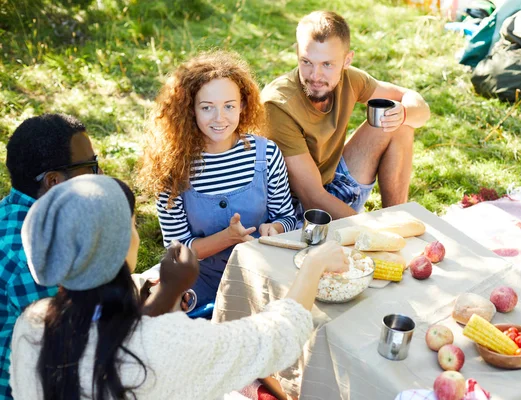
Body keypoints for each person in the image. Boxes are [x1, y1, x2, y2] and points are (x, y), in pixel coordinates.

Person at [10, 174, 349, 399]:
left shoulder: (34, 323)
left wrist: (168, 291)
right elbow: (276, 339)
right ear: (124, 241)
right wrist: (314, 266)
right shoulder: (165, 346)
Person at [138, 50, 296, 310]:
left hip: (260, 270)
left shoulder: (265, 154)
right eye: (207, 107)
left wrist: (275, 229)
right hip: (199, 278)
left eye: (229, 106)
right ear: (190, 110)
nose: (219, 118)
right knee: (158, 315)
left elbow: (287, 218)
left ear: (243, 105)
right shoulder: (173, 167)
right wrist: (227, 238)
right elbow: (177, 252)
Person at [261, 11, 431, 223]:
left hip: (334, 184)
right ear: (297, 53)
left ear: (346, 60)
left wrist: (404, 113)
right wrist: (372, 229)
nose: (315, 76)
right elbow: (312, 198)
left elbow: (418, 106)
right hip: (297, 214)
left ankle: (399, 219)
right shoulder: (278, 106)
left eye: (327, 64)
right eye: (306, 62)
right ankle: (388, 231)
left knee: (398, 121)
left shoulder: (350, 79)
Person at [0, 113, 101, 399]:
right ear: (54, 181)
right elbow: (77, 348)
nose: (100, 175)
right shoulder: (37, 255)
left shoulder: (12, 212)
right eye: (90, 167)